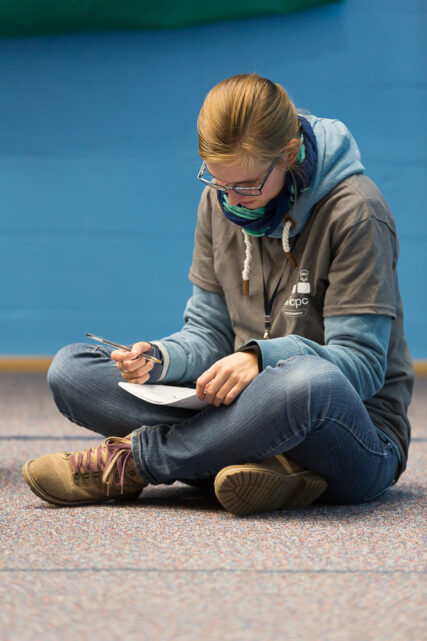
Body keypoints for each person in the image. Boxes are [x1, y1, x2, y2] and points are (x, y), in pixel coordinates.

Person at [22, 73, 414, 516]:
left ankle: (137, 462)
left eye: (245, 186)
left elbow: (362, 366)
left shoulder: (357, 212)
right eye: (216, 179)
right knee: (70, 370)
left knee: (308, 383)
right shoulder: (221, 200)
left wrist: (259, 358)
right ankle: (260, 463)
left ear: (289, 153)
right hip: (242, 410)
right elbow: (208, 332)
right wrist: (161, 358)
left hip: (354, 432)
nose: (231, 199)